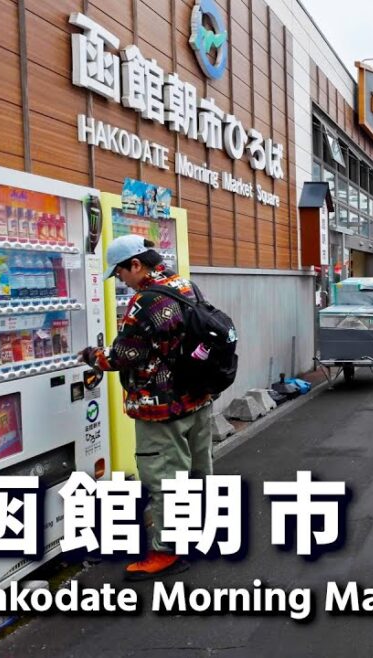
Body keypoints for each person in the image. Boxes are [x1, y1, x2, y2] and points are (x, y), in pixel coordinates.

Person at [80, 235, 217, 579]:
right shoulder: (184, 285)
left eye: (120, 273)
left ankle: (166, 552)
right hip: (197, 397)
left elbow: (126, 354)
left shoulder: (145, 301)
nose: (121, 280)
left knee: (164, 478)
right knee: (197, 472)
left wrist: (94, 357)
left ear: (136, 265)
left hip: (161, 407)